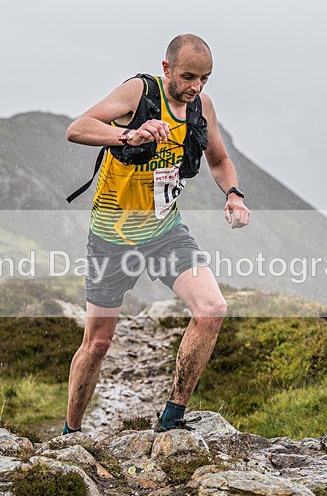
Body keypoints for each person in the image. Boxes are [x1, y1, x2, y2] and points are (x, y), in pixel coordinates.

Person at [62, 33, 250, 434]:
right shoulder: (140, 92)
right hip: (111, 236)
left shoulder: (202, 107)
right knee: (97, 344)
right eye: (187, 76)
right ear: (167, 69)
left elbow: (219, 159)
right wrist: (126, 135)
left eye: (204, 78)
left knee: (212, 309)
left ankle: (172, 417)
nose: (195, 86)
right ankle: (70, 433)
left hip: (164, 231)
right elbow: (77, 128)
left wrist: (232, 193)